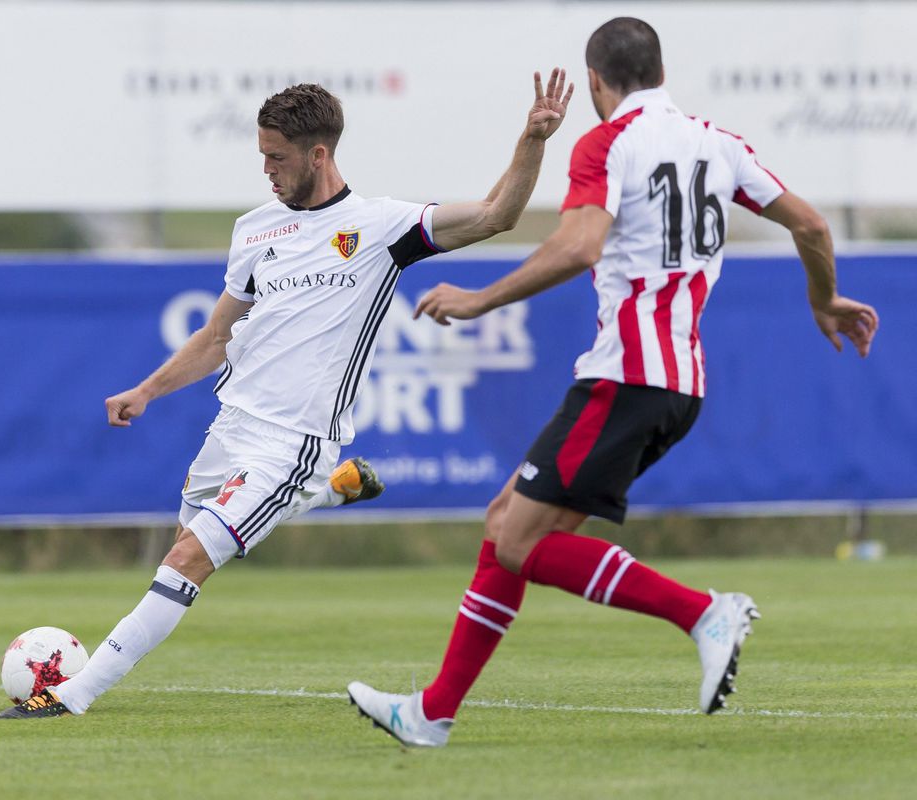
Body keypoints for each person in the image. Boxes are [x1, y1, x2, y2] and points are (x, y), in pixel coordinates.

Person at [347, 16, 879, 747]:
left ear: (594, 80)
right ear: (660, 71)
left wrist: (478, 298)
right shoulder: (720, 145)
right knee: (507, 525)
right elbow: (813, 226)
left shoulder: (607, 143)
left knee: (517, 541)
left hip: (625, 375)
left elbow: (579, 245)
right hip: (678, 383)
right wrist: (823, 298)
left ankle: (703, 613)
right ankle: (433, 712)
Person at [0, 71, 575, 719]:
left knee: (188, 558)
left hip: (294, 440)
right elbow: (219, 334)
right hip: (231, 426)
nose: (267, 169)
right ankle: (333, 486)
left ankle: (71, 695)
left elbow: (499, 215)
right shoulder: (255, 230)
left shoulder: (381, 228)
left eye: (278, 158)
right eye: (262, 156)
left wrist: (532, 140)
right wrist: (148, 390)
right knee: (194, 532)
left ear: (318, 155)